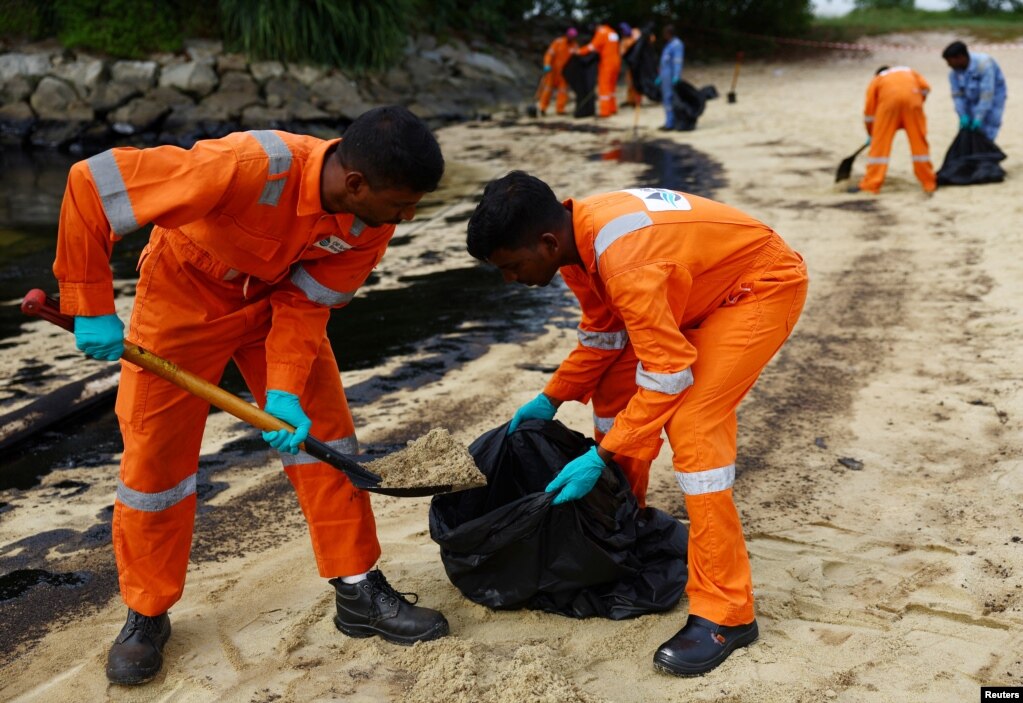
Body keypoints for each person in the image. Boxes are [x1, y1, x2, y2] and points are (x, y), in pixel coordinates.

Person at [54, 106, 451, 686]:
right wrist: (89, 301)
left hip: (276, 307)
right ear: (356, 183)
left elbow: (309, 302)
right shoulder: (246, 166)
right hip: (183, 295)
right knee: (155, 466)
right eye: (400, 204)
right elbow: (93, 182)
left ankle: (358, 587)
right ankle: (147, 612)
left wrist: (285, 391)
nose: (407, 217)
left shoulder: (372, 222)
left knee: (325, 435)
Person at [466, 172, 808, 677]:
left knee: (693, 423)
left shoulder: (625, 262)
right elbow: (604, 335)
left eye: (512, 266)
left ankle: (726, 614)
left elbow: (669, 375)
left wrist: (599, 458)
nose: (510, 280)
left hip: (755, 288)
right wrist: (550, 398)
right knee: (612, 392)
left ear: (545, 242)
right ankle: (622, 531)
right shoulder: (576, 241)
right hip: (692, 287)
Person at [853, 65, 937, 195]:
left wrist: (872, 134)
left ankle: (871, 185)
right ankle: (929, 182)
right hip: (913, 103)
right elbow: (926, 88)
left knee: (880, 148)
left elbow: (869, 112)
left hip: (889, 108)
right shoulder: (910, 72)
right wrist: (917, 102)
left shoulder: (878, 80)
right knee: (919, 144)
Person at [942, 40, 1007, 142]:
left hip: (993, 99)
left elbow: (987, 94)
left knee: (987, 132)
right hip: (971, 97)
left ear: (960, 57)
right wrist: (962, 115)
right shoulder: (954, 74)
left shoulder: (984, 64)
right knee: (968, 132)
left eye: (950, 61)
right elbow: (957, 96)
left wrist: (979, 117)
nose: (948, 65)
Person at [576, 21, 621, 117]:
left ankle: (604, 112)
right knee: (611, 87)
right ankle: (612, 108)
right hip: (616, 62)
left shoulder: (601, 33)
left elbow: (592, 46)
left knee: (604, 86)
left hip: (607, 63)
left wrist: (579, 51)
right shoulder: (613, 32)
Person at [539, 27, 579, 116]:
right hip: (552, 71)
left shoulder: (575, 46)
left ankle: (560, 109)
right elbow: (549, 54)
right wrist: (547, 64)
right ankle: (542, 107)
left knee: (563, 91)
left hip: (565, 73)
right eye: (570, 36)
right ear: (567, 35)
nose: (571, 38)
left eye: (573, 37)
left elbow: (577, 59)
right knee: (547, 90)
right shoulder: (558, 42)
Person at [658, 25, 685, 130]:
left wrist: (676, 76)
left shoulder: (677, 45)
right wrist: (660, 76)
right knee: (666, 99)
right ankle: (668, 121)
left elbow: (677, 62)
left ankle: (671, 123)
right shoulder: (668, 45)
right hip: (665, 75)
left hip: (671, 76)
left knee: (670, 98)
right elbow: (664, 62)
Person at [618, 22, 644, 107]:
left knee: (637, 82)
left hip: (639, 64)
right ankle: (631, 100)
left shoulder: (636, 32)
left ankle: (637, 100)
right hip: (630, 64)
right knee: (630, 83)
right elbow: (622, 53)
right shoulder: (624, 41)